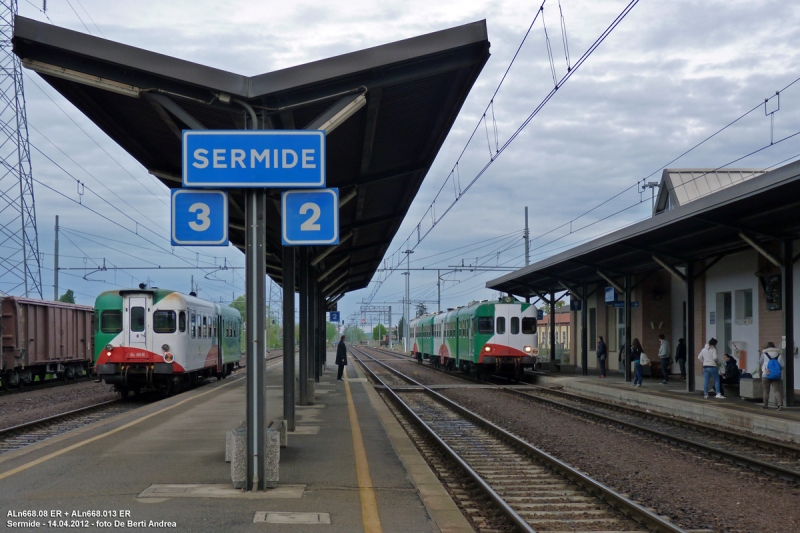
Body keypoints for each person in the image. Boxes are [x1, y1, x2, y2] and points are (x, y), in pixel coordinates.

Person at [759, 342, 784, 411]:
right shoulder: (779, 354)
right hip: (776, 375)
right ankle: (780, 404)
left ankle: (765, 405)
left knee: (766, 391)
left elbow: (760, 362)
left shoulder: (764, 354)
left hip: (766, 374)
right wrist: (777, 370)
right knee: (776, 390)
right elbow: (782, 365)